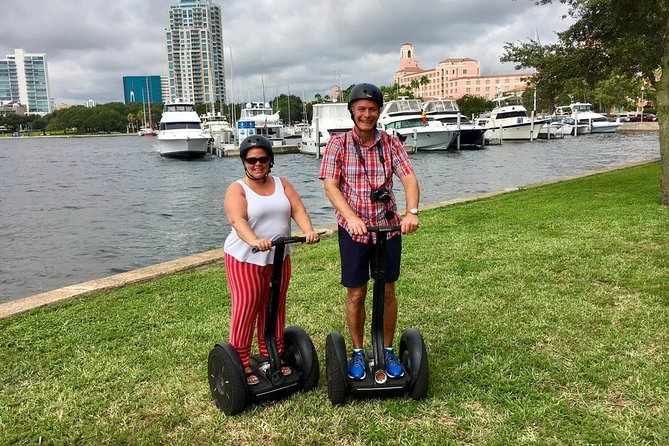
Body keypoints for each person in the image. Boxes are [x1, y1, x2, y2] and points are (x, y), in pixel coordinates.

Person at [319, 83, 420, 380]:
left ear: (379, 112)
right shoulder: (338, 144)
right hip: (354, 230)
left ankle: (387, 351)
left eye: (372, 109)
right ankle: (359, 352)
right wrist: (350, 217)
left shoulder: (391, 143)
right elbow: (330, 185)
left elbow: (409, 178)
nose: (367, 114)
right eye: (361, 109)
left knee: (388, 289)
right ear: (352, 111)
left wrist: (411, 213)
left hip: (387, 228)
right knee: (356, 292)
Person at [224, 134, 319, 385]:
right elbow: (237, 220)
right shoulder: (237, 189)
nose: (257, 164)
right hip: (246, 258)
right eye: (251, 159)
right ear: (244, 161)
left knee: (275, 306)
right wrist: (254, 240)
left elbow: (297, 208)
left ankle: (271, 354)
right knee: (247, 307)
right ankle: (241, 361)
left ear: (270, 160)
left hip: (279, 256)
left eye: (263, 159)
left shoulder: (281, 183)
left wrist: (308, 230)